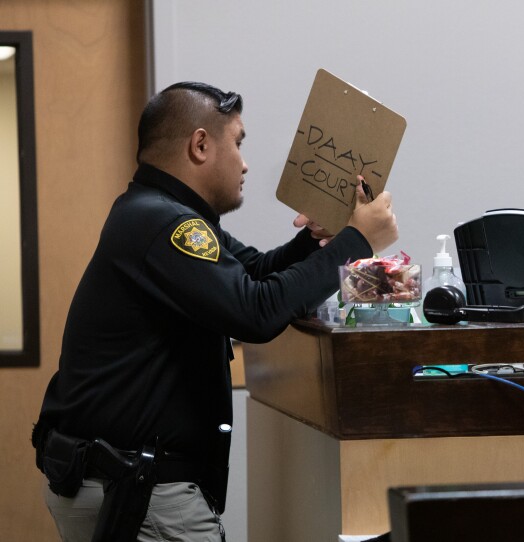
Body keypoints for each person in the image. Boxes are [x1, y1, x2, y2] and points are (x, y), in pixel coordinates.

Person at [31, 81, 398, 541]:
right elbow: (256, 311)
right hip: (139, 489)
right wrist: (357, 242)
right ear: (200, 144)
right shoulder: (165, 223)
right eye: (238, 143)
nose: (245, 164)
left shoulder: (158, 213)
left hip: (121, 479)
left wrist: (316, 239)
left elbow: (258, 274)